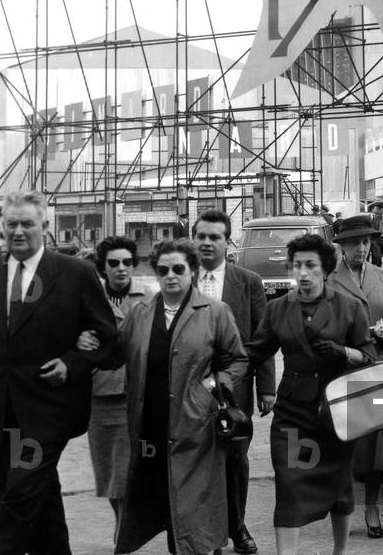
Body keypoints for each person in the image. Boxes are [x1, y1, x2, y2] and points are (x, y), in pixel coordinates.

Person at [0, 189, 120, 555]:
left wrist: (73, 362)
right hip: (3, 409)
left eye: (27, 224)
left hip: (48, 410)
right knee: (38, 495)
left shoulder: (75, 274)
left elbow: (107, 335)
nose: (18, 231)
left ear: (45, 226)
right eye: (11, 224)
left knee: (18, 494)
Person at [115, 238, 248, 555]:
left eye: (178, 269)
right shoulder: (141, 313)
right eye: (163, 270)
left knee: (196, 512)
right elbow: (115, 351)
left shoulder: (215, 312)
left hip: (196, 428)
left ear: (192, 271)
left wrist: (212, 388)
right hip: (151, 428)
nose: (170, 275)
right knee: (165, 504)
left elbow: (237, 359)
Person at [244, 233, 376, 555]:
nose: (302, 272)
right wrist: (219, 362)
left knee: (340, 489)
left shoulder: (349, 307)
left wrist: (344, 352)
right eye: (297, 265)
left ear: (325, 269)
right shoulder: (278, 309)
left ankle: (339, 552)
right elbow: (255, 352)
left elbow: (369, 355)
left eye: (310, 265)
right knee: (289, 487)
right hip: (293, 415)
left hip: (337, 414)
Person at [192, 211, 275, 555]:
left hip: (236, 385)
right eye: (202, 236)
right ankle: (205, 533)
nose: (207, 243)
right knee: (198, 459)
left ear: (228, 243)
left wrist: (267, 388)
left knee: (235, 459)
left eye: (215, 237)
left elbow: (262, 336)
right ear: (193, 239)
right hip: (192, 387)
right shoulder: (183, 278)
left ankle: (237, 527)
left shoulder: (249, 281)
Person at [329, 216, 383, 539]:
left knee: (376, 442)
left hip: (379, 367)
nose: (361, 248)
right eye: (354, 243)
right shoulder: (331, 281)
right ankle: (343, 507)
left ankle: (372, 505)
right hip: (346, 368)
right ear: (343, 247)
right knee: (348, 441)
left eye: (365, 242)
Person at [86, 236, 150, 534]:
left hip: (136, 392)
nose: (121, 268)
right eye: (113, 263)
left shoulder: (149, 298)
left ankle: (124, 531)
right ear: (103, 267)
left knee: (128, 470)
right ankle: (120, 523)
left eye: (127, 262)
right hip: (101, 393)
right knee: (108, 469)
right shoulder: (88, 297)